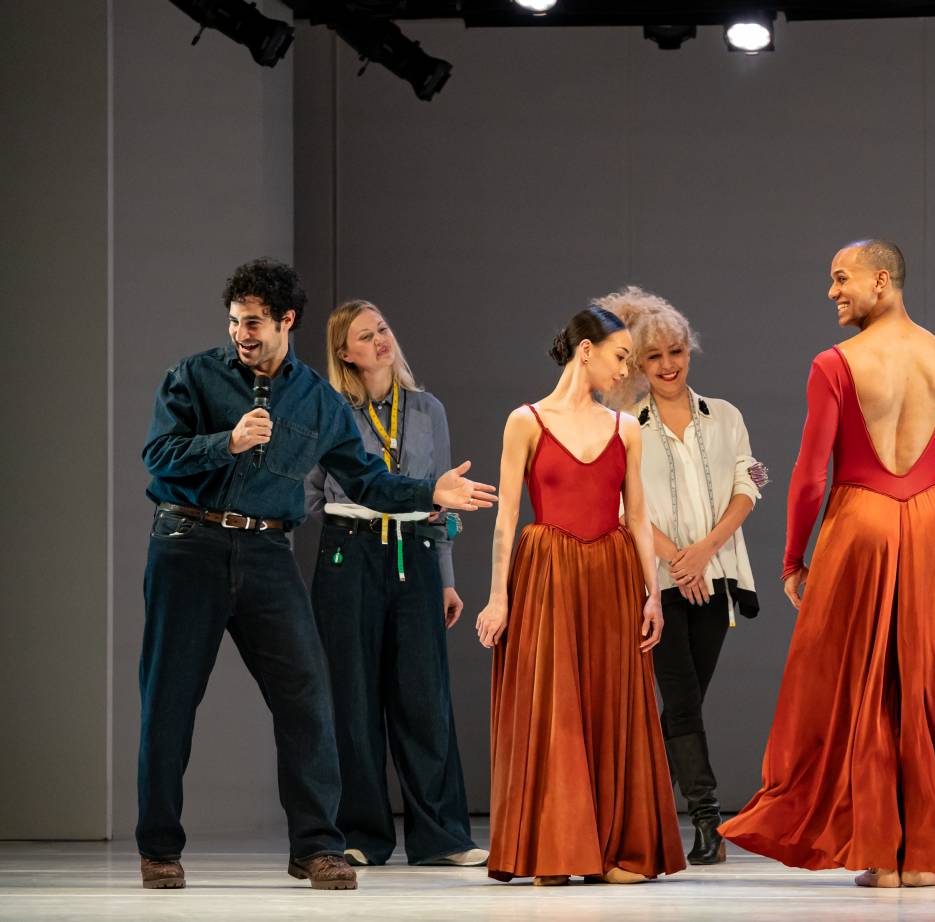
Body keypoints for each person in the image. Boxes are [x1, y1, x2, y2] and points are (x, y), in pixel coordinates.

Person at [137, 259, 496, 891]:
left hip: (267, 553)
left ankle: (316, 846)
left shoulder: (318, 400)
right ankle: (160, 847)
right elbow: (158, 460)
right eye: (234, 322)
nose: (241, 334)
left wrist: (428, 489)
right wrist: (227, 442)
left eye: (253, 323)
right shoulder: (192, 377)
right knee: (170, 702)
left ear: (286, 321)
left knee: (308, 700)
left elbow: (367, 480)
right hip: (187, 544)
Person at [720, 240, 935, 888]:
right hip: (930, 524)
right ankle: (926, 859)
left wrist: (795, 556)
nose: (832, 292)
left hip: (859, 522)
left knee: (864, 684)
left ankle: (883, 856)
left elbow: (809, 476)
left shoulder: (835, 364)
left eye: (840, 278)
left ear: (882, 281)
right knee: (927, 681)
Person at [475, 307, 685, 885]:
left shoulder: (626, 428)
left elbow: (638, 518)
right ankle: (555, 848)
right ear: (585, 351)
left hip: (612, 576)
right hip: (546, 574)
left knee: (608, 703)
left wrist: (652, 594)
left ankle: (613, 846)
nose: (627, 370)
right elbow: (507, 518)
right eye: (621, 357)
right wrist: (498, 598)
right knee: (555, 708)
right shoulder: (526, 420)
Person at [304, 300, 487, 868]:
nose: (382, 339)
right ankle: (362, 833)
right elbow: (311, 495)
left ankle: (444, 837)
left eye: (383, 328)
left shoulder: (428, 408)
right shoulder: (328, 411)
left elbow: (443, 500)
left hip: (416, 553)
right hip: (348, 554)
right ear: (344, 353)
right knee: (352, 698)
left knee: (424, 698)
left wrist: (448, 579)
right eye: (366, 335)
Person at [600, 286, 767, 865]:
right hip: (659, 585)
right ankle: (705, 821)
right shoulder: (625, 424)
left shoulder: (723, 416)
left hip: (716, 578)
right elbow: (625, 507)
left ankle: (642, 818)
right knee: (682, 699)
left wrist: (704, 553)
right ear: (638, 365)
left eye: (677, 351)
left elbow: (749, 487)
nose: (668, 365)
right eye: (654, 357)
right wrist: (677, 559)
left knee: (680, 706)